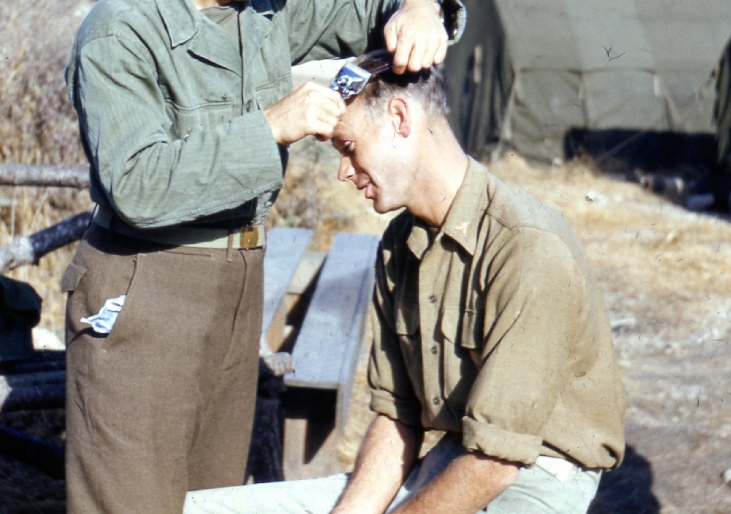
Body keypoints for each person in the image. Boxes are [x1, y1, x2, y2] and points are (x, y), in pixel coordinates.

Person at [61, 0, 465, 514]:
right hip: (147, 287)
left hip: (238, 283)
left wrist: (420, 4)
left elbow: (369, 3)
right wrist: (271, 127)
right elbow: (137, 186)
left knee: (213, 502)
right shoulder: (120, 32)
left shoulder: (269, 0)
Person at [185, 55, 625, 514]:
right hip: (454, 461)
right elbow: (397, 414)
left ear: (399, 118)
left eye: (348, 146)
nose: (344, 171)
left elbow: (496, 462)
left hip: (536, 477)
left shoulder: (526, 247)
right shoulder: (402, 242)